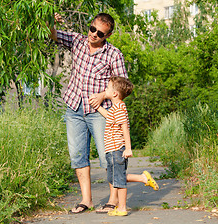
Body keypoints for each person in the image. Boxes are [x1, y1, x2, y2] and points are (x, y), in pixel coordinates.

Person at [49, 12, 128, 214]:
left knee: (108, 157)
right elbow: (53, 35)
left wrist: (103, 95)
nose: (93, 35)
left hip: (100, 113)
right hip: (74, 107)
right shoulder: (77, 41)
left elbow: (123, 87)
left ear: (107, 36)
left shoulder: (114, 54)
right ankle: (87, 200)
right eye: (92, 29)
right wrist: (50, 21)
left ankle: (113, 199)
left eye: (99, 33)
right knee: (78, 156)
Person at [92, 76, 159, 216]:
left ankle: (122, 208)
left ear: (115, 93)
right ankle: (143, 178)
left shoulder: (120, 108)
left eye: (108, 87)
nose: (106, 89)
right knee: (114, 178)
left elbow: (125, 128)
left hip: (117, 149)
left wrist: (128, 148)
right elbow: (108, 116)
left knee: (119, 179)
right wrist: (97, 107)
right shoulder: (114, 108)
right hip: (111, 150)